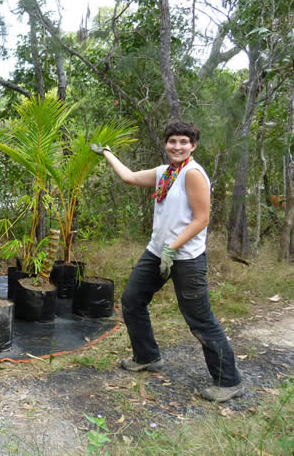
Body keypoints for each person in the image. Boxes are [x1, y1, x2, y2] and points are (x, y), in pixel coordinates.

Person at [91, 120, 243, 403]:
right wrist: (108, 153)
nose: (177, 146)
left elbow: (202, 219)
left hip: (186, 258)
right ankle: (147, 357)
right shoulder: (165, 173)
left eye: (184, 142)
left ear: (193, 146)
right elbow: (130, 177)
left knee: (199, 319)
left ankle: (229, 380)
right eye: (172, 141)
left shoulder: (193, 174)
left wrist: (172, 249)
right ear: (165, 144)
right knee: (132, 300)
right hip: (157, 252)